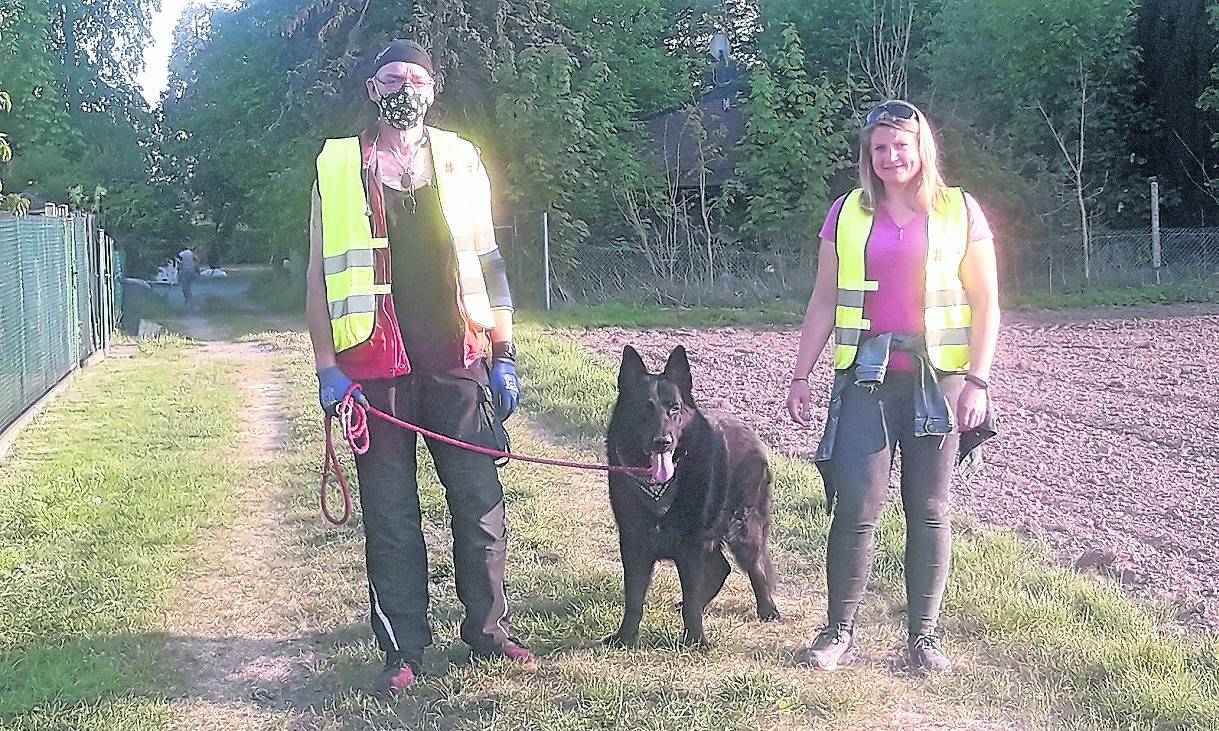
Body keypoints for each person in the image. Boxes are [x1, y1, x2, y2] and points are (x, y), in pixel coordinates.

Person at [305, 39, 529, 693]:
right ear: (373, 91)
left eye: (415, 78)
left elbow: (489, 263)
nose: (404, 88)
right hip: (373, 371)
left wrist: (504, 354)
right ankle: (401, 651)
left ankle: (489, 634)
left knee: (479, 504)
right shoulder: (339, 166)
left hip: (458, 360)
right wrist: (327, 368)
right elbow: (319, 277)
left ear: (432, 88)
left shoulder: (460, 160)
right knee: (391, 515)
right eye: (391, 78)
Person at [785, 100, 999, 674]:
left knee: (929, 509)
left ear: (921, 147)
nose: (890, 157)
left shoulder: (961, 210)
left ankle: (923, 639)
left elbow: (986, 303)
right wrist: (801, 374)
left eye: (900, 145)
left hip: (941, 384)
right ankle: (837, 632)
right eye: (879, 148)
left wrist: (978, 380)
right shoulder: (847, 213)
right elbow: (824, 300)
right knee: (855, 506)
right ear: (867, 155)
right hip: (866, 380)